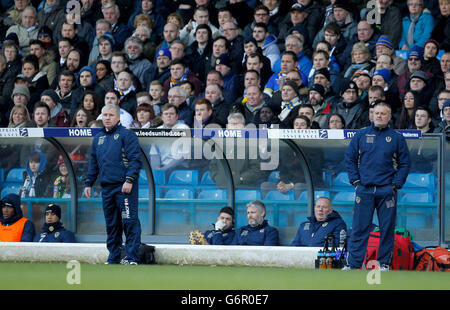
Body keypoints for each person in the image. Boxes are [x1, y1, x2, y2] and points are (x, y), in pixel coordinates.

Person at [344, 100, 411, 271]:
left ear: (389, 117)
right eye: (377, 113)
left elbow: (405, 164)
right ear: (372, 115)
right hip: (364, 189)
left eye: (383, 113)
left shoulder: (396, 138)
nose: (379, 116)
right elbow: (350, 159)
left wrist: (395, 185)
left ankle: (384, 264)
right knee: (359, 229)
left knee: (387, 229)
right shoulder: (361, 135)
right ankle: (353, 265)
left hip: (386, 191)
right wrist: (356, 182)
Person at [84, 104, 143, 265]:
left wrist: (129, 180)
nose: (107, 118)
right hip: (107, 188)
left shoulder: (127, 135)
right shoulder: (98, 138)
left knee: (129, 221)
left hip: (124, 187)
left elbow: (135, 160)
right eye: (105, 115)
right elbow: (93, 163)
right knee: (112, 224)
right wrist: (88, 183)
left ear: (118, 118)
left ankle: (132, 258)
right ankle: (114, 257)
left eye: (111, 115)